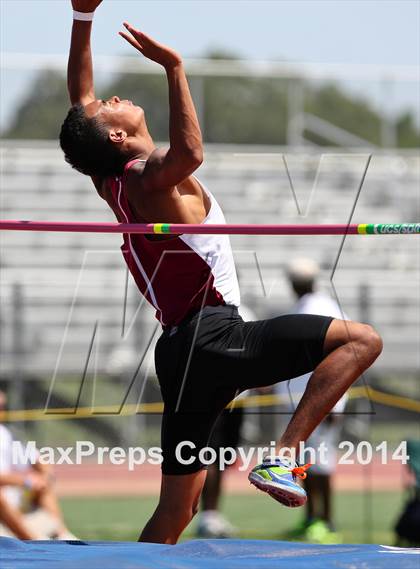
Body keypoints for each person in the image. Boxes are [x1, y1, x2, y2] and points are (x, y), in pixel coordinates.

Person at [59, 1, 383, 544]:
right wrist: (175, 68)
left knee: (177, 511)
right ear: (116, 138)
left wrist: (82, 17)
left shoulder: (110, 179)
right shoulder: (145, 179)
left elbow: (81, 103)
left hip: (182, 350)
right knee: (360, 341)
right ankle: (282, 457)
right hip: (213, 335)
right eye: (109, 107)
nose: (112, 98)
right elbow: (190, 154)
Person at [276, 258, 350, 543]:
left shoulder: (320, 308)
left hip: (319, 401)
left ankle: (327, 522)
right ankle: (309, 519)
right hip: (305, 401)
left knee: (320, 464)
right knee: (303, 465)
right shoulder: (309, 306)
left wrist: (335, 401)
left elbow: (339, 360)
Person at [0, 391, 76, 540]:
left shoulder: (5, 434)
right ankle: (34, 541)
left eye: (2, 406)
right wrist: (25, 480)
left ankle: (62, 534)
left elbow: (38, 460)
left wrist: (44, 475)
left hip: (17, 498)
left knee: (43, 484)